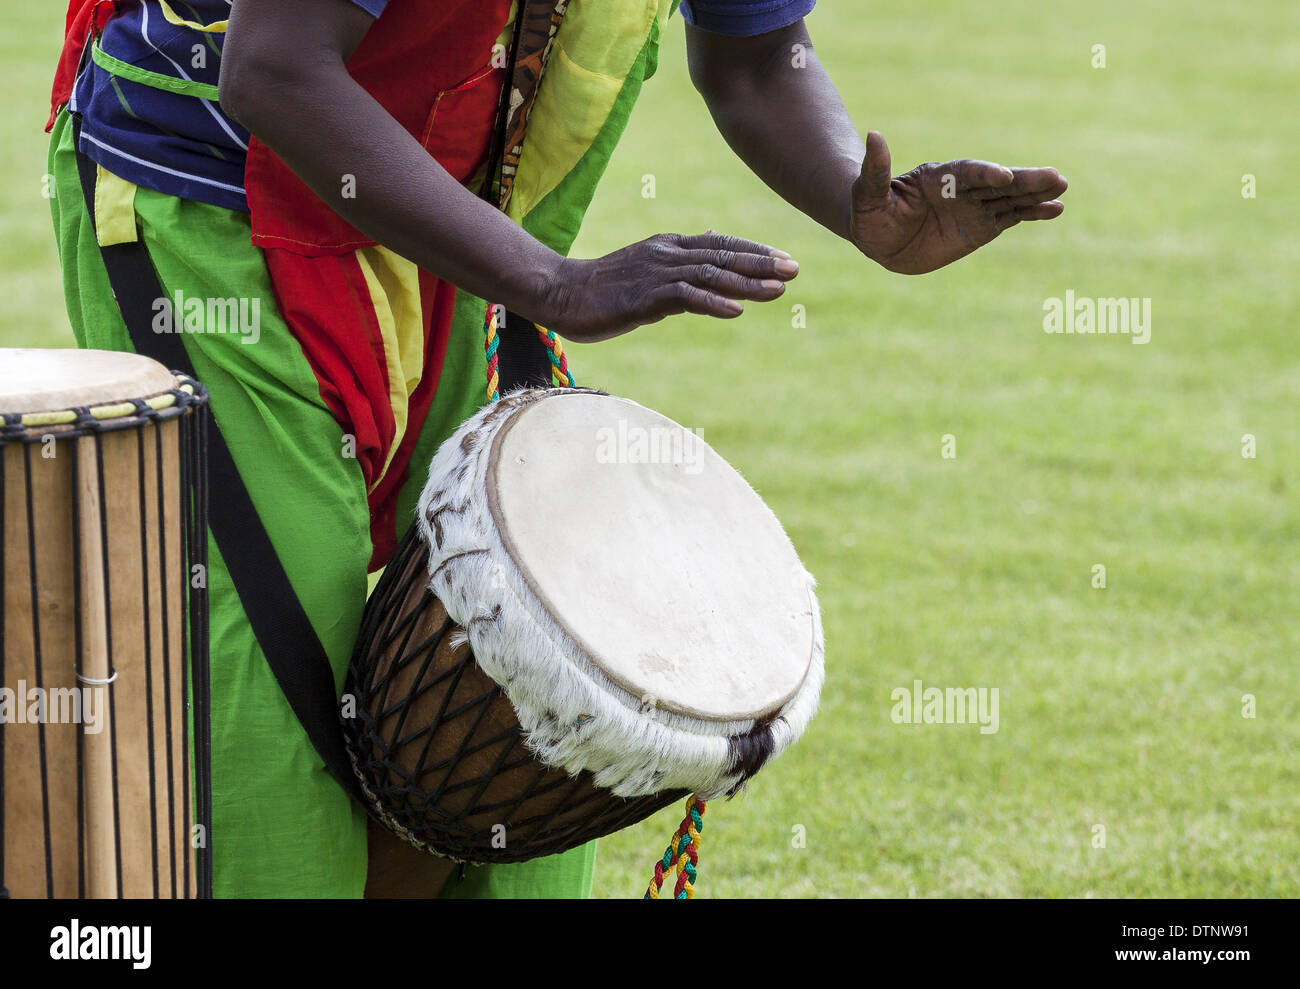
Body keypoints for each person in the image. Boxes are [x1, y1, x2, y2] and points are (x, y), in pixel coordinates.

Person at [46, 0, 1066, 898]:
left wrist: (856, 198)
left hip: (462, 234)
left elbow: (755, 56)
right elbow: (275, 63)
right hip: (214, 217)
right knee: (283, 713)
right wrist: (552, 283)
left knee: (538, 682)